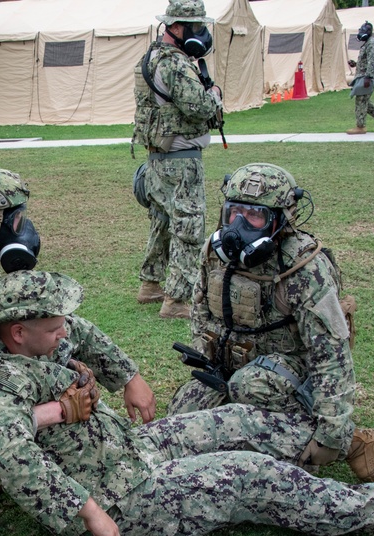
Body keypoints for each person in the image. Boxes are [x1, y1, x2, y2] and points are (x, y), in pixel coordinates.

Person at [0, 270, 374, 536]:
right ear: (17, 333)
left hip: (128, 451)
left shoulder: (42, 340)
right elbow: (13, 458)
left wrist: (131, 376)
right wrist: (88, 511)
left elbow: (85, 334)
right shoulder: (1, 385)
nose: (64, 334)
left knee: (240, 420)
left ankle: (357, 448)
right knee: (251, 476)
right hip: (118, 496)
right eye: (53, 329)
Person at [0, 165, 157, 510]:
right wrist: (58, 410)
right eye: (16, 220)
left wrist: (128, 376)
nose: (25, 229)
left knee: (38, 343)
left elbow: (63, 325)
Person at [167, 162, 374, 482]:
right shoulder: (215, 251)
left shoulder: (305, 269)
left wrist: (330, 435)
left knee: (247, 388)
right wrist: (205, 349)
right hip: (230, 368)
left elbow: (332, 358)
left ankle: (348, 442)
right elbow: (200, 309)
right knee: (177, 424)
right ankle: (362, 448)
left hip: (289, 371)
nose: (239, 224)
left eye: (255, 216)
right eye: (234, 212)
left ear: (281, 219)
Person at [132, 0, 223, 319]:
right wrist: (215, 96)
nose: (201, 33)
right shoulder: (176, 64)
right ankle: (177, 301)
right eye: (196, 27)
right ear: (176, 27)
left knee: (163, 221)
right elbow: (198, 107)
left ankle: (150, 284)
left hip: (158, 157)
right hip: (181, 157)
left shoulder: (152, 56)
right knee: (188, 224)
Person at [347, 21, 374, 135]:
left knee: (361, 100)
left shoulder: (372, 43)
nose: (361, 33)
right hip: (363, 75)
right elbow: (367, 61)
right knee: (363, 100)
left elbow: (373, 61)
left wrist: (368, 77)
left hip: (366, 77)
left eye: (363, 31)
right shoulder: (367, 43)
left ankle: (360, 127)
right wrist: (356, 64)